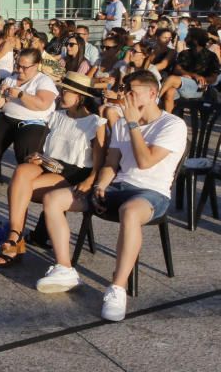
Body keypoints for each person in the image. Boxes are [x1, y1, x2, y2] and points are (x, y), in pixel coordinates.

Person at [36, 70, 187, 322]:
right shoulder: (122, 123)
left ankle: (118, 288)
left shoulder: (172, 125)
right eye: (125, 90)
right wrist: (101, 184)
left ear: (152, 94)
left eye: (133, 91)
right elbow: (111, 162)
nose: (126, 96)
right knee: (54, 199)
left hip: (152, 193)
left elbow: (145, 160)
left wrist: (132, 124)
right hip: (118, 186)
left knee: (129, 212)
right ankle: (65, 268)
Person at [0, 72, 105, 267]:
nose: (60, 94)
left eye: (65, 91)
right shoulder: (57, 115)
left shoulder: (95, 123)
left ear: (79, 97)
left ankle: (15, 242)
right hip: (49, 163)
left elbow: (100, 161)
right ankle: (15, 235)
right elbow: (45, 147)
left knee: (21, 188)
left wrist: (90, 181)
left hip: (75, 172)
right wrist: (36, 157)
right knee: (21, 171)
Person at [0, 48, 58, 189]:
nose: (20, 70)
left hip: (34, 122)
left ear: (36, 65)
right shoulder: (11, 78)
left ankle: (32, 180)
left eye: (24, 67)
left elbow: (43, 104)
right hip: (8, 117)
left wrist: (21, 95)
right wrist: (0, 94)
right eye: (18, 65)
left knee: (27, 143)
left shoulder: (43, 81)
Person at [159, 28, 219, 113]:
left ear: (195, 40)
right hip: (183, 84)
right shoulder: (185, 53)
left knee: (172, 79)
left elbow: (214, 78)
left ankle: (155, 101)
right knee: (169, 92)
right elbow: (177, 69)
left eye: (188, 36)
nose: (185, 39)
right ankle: (169, 120)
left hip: (199, 88)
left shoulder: (211, 56)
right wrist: (192, 75)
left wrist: (199, 78)